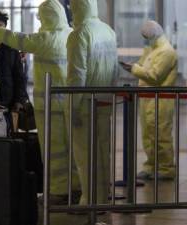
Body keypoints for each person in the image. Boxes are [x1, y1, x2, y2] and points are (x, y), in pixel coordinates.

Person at [0, 0, 81, 204]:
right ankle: (76, 188)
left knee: (53, 149)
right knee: (71, 147)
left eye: (41, 16)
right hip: (68, 102)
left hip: (50, 106)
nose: (39, 19)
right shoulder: (70, 35)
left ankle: (59, 191)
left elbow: (20, 40)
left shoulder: (47, 38)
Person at [66, 0, 118, 206]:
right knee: (104, 153)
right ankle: (103, 198)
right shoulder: (108, 31)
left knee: (86, 155)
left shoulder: (79, 34)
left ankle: (90, 201)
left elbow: (77, 75)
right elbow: (114, 68)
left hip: (85, 102)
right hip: (105, 99)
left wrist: (73, 106)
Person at [121, 20, 177, 180]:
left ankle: (166, 169)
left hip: (160, 101)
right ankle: (151, 166)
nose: (145, 40)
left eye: (146, 37)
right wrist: (135, 65)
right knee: (148, 136)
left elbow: (154, 76)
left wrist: (134, 69)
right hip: (148, 100)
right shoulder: (153, 50)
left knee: (161, 136)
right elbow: (144, 67)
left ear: (153, 35)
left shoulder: (166, 52)